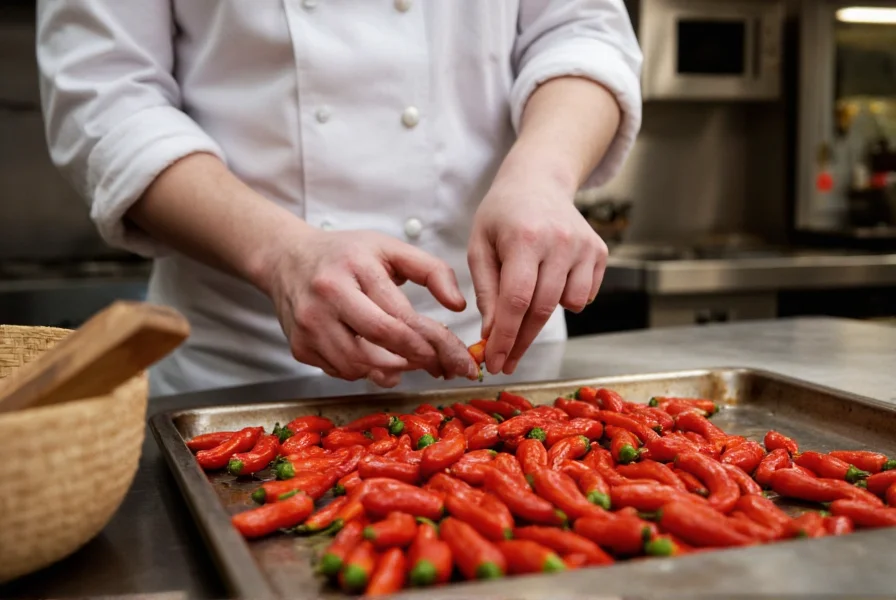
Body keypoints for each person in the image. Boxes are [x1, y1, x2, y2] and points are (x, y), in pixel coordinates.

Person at [36, 1, 642, 396]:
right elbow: (105, 98)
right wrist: (280, 256)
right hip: (245, 370)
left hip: (504, 358)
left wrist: (540, 175)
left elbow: (581, 30)